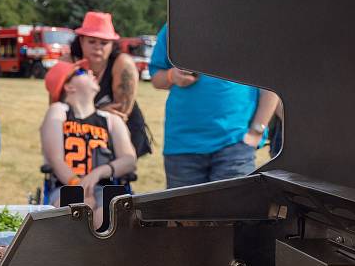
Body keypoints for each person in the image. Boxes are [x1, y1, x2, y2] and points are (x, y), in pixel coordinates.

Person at [150, 23, 280, 188]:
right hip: (182, 144)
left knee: (230, 212)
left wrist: (256, 130)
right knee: (184, 213)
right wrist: (171, 75)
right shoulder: (176, 25)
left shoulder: (250, 24)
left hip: (235, 143)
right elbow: (156, 78)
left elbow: (273, 80)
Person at [40, 60, 137, 228]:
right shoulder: (59, 111)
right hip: (66, 185)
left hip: (104, 187)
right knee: (74, 213)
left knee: (108, 217)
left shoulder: (111, 119)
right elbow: (55, 159)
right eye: (81, 71)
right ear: (69, 87)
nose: (90, 72)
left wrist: (98, 173)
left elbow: (129, 159)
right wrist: (79, 187)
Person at [68, 12, 152, 159]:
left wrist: (84, 113)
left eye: (104, 43)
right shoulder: (68, 63)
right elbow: (58, 108)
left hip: (120, 136)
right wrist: (100, 111)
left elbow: (121, 114)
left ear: (112, 44)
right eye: (92, 41)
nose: (98, 48)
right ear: (81, 41)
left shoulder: (123, 64)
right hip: (77, 137)